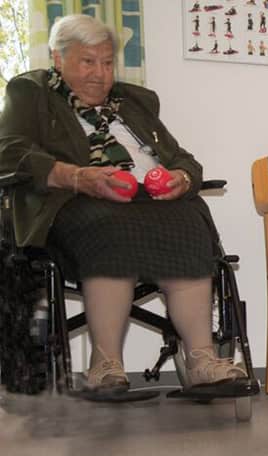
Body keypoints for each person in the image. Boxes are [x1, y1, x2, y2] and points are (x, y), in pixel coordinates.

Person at [0, 14, 246, 394]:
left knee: (190, 220)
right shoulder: (31, 95)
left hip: (151, 200)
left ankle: (201, 358)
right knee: (109, 225)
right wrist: (80, 177)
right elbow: (10, 153)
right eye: (88, 62)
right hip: (78, 202)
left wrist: (181, 179)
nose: (100, 73)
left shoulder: (133, 103)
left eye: (107, 62)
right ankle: (105, 364)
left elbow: (181, 158)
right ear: (57, 58)